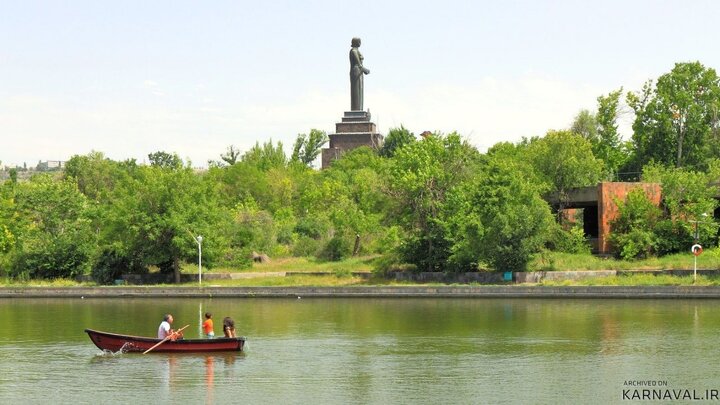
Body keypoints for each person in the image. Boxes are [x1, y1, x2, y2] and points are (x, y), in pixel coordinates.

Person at [349, 37, 370, 111]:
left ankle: (359, 109)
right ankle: (356, 109)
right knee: (356, 90)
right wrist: (365, 69)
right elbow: (359, 64)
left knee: (360, 89)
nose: (360, 43)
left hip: (359, 72)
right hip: (356, 71)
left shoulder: (357, 50)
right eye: (359, 41)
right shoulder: (353, 51)